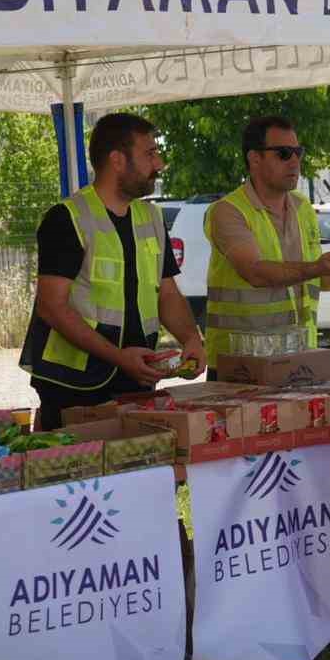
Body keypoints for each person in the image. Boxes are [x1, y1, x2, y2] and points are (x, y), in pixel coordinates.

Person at [20, 113, 204, 431]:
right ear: (117, 160)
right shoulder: (66, 218)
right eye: (150, 154)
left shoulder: (151, 216)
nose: (159, 164)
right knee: (77, 477)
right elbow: (52, 306)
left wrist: (191, 338)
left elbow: (167, 292)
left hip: (136, 379)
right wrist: (118, 357)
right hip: (73, 386)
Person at [203, 116, 330, 370]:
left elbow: (317, 280)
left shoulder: (303, 207)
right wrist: (318, 267)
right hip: (241, 365)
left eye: (298, 152)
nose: (294, 161)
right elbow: (255, 273)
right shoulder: (228, 211)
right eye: (283, 153)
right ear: (254, 159)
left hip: (300, 357)